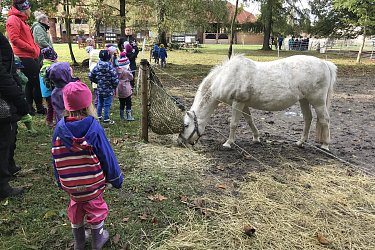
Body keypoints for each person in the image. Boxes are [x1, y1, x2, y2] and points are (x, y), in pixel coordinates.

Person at [52, 81, 123, 250]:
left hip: (71, 185)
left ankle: (79, 241)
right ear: (88, 104)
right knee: (95, 207)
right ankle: (98, 240)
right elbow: (107, 156)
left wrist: (59, 180)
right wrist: (116, 179)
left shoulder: (59, 130)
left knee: (76, 208)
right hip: (93, 185)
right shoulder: (94, 129)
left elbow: (56, 157)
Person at [0, 28, 29, 200]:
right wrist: (18, 98)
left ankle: (9, 168)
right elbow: (2, 76)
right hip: (3, 102)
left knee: (8, 137)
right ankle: (3, 186)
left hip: (7, 97)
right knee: (3, 140)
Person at [6, 0, 44, 115]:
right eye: (29, 8)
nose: (30, 10)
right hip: (23, 56)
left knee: (31, 82)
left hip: (30, 55)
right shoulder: (13, 19)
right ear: (24, 8)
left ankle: (29, 108)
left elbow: (28, 39)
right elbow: (14, 40)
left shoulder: (22, 20)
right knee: (37, 82)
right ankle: (39, 108)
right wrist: (31, 49)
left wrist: (36, 49)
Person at [88, 50, 119, 124]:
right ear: (109, 58)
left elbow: (90, 75)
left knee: (100, 103)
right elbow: (115, 78)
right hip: (108, 89)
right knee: (107, 104)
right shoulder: (110, 67)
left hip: (100, 88)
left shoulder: (97, 66)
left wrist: (97, 81)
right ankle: (106, 118)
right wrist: (114, 86)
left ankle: (98, 116)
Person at [14, 56, 37, 134]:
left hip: (19, 96)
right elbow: (25, 80)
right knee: (24, 114)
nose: (19, 70)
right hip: (19, 98)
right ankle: (30, 129)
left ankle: (29, 128)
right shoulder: (18, 76)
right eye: (18, 69)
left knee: (16, 114)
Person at [40, 47, 58, 127]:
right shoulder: (48, 68)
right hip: (50, 91)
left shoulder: (45, 65)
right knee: (53, 107)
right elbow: (49, 82)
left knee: (51, 106)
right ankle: (51, 121)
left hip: (46, 91)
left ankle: (51, 120)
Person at [116, 54, 135, 121]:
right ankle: (129, 116)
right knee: (128, 102)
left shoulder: (116, 70)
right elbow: (131, 78)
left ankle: (121, 116)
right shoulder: (127, 72)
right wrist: (130, 71)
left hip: (119, 88)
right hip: (126, 89)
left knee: (121, 103)